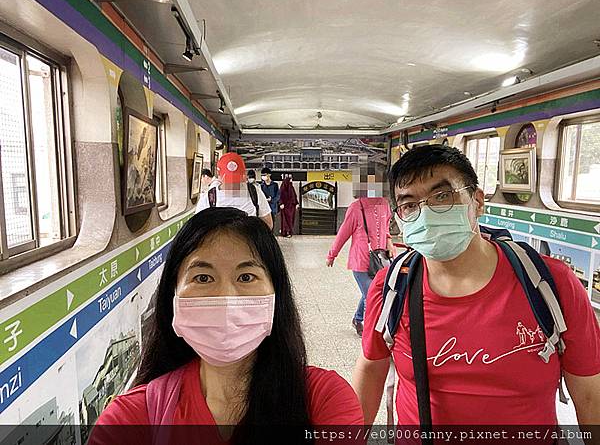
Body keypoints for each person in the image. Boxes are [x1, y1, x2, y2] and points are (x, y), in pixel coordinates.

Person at [353, 144, 600, 427]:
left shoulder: (550, 283)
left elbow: (590, 393)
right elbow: (372, 368)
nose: (427, 214)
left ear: (478, 201)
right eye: (409, 205)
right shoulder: (393, 287)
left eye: (442, 196)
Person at [90, 208, 364, 444]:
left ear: (276, 294)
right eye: (203, 278)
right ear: (172, 295)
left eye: (246, 277)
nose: (227, 298)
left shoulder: (325, 399)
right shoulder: (131, 418)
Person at [326, 165, 395, 337]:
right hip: (361, 260)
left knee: (372, 292)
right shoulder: (356, 207)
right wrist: (332, 254)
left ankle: (358, 318)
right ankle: (373, 328)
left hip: (381, 258)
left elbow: (386, 229)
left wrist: (390, 245)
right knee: (372, 294)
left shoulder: (384, 204)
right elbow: (344, 232)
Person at [196, 153, 273, 229]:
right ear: (218, 175)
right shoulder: (208, 199)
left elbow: (268, 223)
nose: (233, 184)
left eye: (237, 180)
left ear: (244, 175)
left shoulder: (254, 193)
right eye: (229, 181)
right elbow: (197, 228)